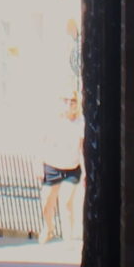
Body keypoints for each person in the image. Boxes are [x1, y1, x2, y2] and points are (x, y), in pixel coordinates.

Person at [38, 93, 83, 244]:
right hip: (52, 165)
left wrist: (86, 172)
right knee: (47, 202)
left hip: (72, 168)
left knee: (66, 202)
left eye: (73, 101)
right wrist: (38, 165)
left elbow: (83, 148)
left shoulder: (81, 122)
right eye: (66, 100)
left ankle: (68, 239)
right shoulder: (52, 120)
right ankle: (48, 227)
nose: (70, 104)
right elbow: (41, 143)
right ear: (61, 102)